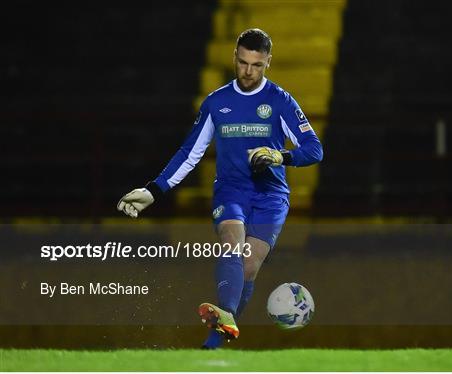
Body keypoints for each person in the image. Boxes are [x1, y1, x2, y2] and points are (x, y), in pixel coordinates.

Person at [117, 28, 323, 349]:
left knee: (249, 267)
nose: (248, 71)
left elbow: (314, 148)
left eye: (256, 65)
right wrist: (153, 190)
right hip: (231, 190)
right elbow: (189, 152)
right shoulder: (217, 103)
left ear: (268, 61)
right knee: (232, 241)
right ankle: (221, 329)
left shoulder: (280, 102)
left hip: (271, 196)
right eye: (242, 63)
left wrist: (280, 155)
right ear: (234, 58)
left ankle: (213, 341)